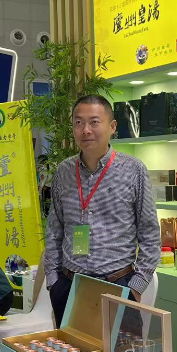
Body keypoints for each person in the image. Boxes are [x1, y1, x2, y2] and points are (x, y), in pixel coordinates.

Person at [44, 95, 161, 327]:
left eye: (94, 122)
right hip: (70, 287)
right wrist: (54, 282)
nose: (85, 130)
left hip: (118, 286)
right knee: (71, 351)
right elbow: (54, 231)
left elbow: (149, 233)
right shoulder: (64, 171)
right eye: (78, 123)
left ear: (112, 126)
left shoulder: (134, 170)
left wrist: (135, 288)